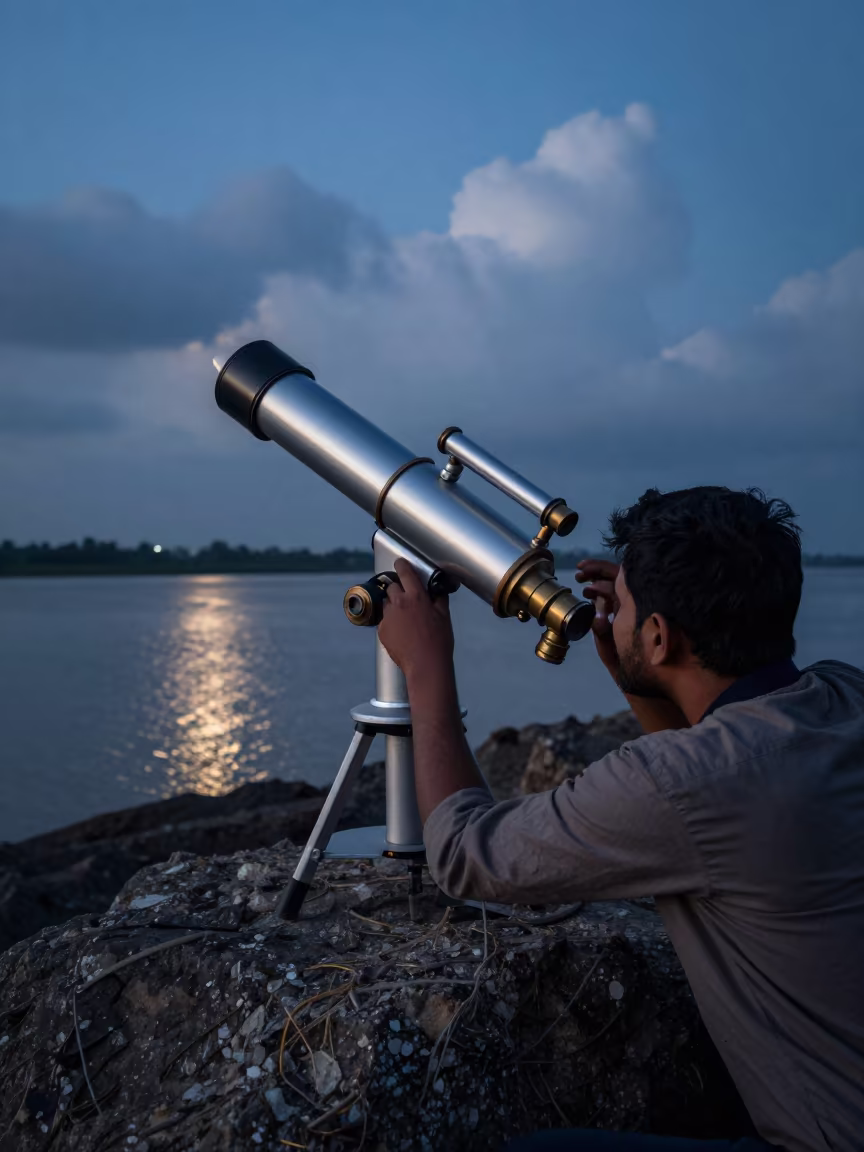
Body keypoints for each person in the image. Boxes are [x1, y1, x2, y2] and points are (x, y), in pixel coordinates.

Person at [377, 486, 864, 1152]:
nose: (614, 615)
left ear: (659, 637)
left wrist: (426, 668)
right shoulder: (843, 694)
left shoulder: (684, 783)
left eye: (629, 608)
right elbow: (707, 782)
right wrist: (644, 677)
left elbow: (465, 853)